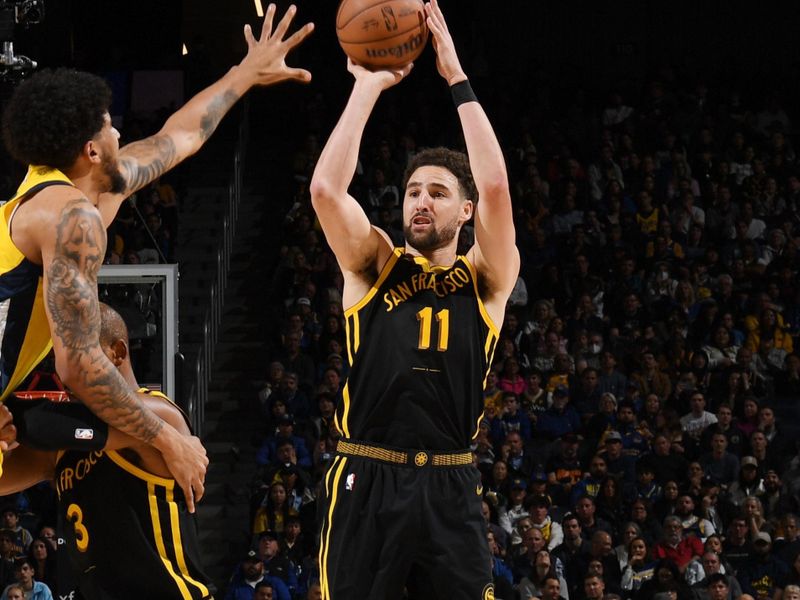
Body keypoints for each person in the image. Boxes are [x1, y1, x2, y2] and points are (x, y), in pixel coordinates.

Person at [0, 4, 314, 505]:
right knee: (163, 422)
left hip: (11, 405)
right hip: (13, 404)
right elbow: (79, 365)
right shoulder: (69, 219)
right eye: (110, 126)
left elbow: (178, 137)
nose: (120, 132)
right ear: (92, 150)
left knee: (45, 450)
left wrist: (246, 73)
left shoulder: (75, 194)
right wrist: (167, 440)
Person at [309, 1, 518, 597]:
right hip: (365, 473)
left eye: (438, 192)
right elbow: (327, 189)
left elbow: (497, 186)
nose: (420, 201)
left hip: (450, 483)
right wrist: (369, 86)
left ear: (466, 211)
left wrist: (456, 78)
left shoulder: (486, 280)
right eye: (412, 192)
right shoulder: (373, 263)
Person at [0, 304, 214, 599]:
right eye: (62, 360)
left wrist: (11, 408)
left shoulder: (159, 415)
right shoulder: (63, 450)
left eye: (78, 356)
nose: (66, 372)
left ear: (118, 352)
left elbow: (41, 421)